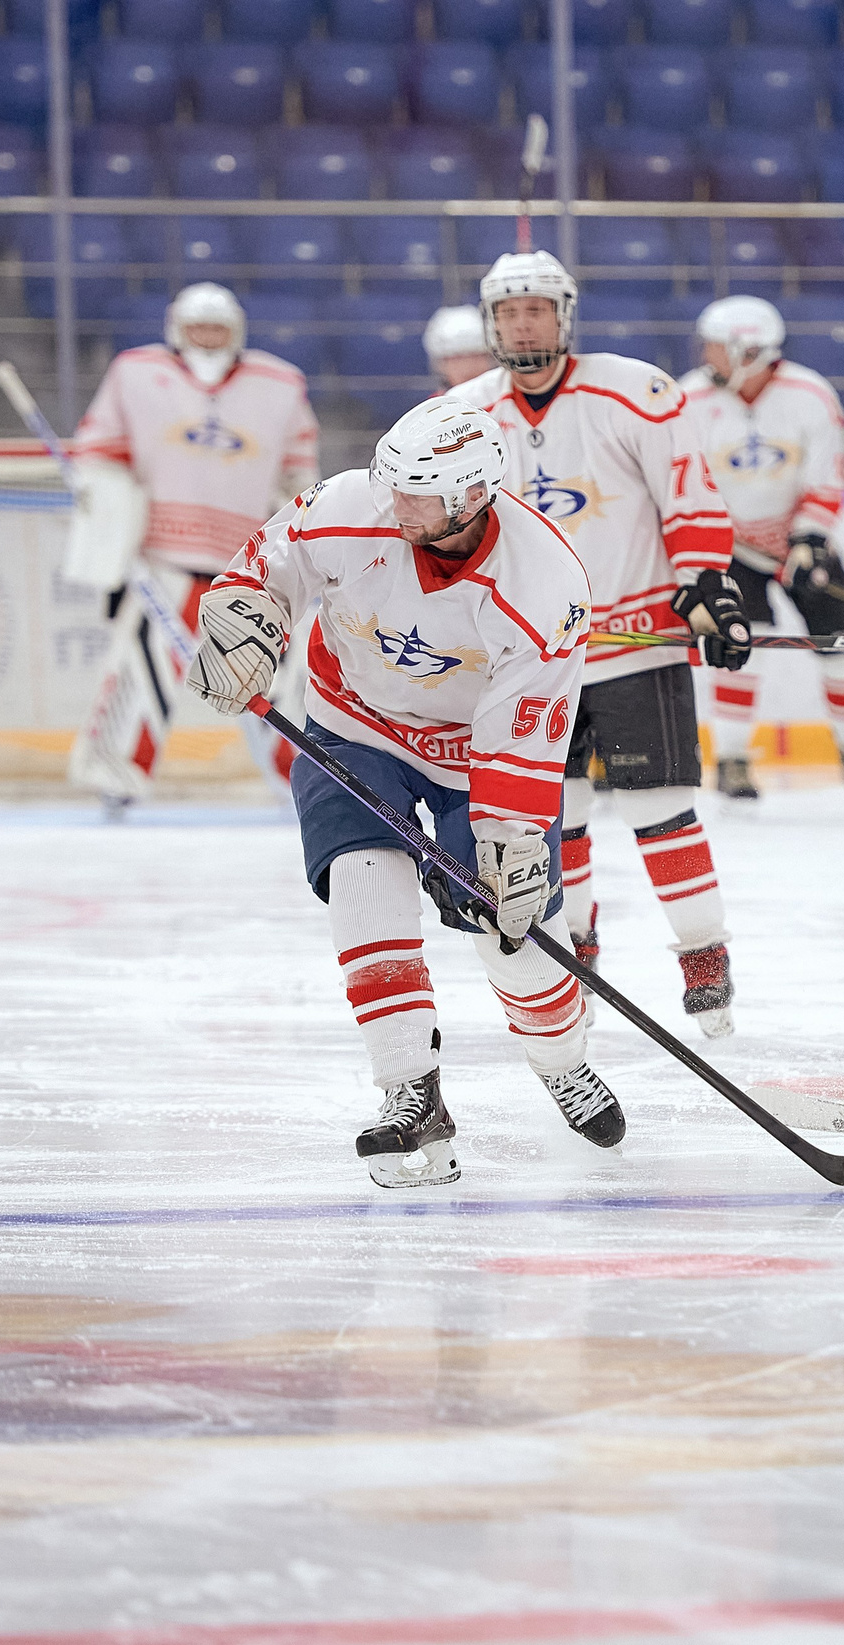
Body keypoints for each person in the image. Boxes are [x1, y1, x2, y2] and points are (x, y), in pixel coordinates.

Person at [186, 397, 618, 1189]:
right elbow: (263, 565)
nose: (395, 502)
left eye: (416, 493)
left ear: (471, 498)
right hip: (353, 721)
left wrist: (506, 841)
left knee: (510, 930)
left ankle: (562, 1057)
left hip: (477, 759)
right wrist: (243, 618)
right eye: (393, 483)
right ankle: (408, 1090)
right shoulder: (355, 505)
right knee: (362, 877)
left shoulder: (544, 581)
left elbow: (522, 735)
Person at [444, 250, 752, 1038]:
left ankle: (702, 955)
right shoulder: (464, 413)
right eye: (508, 312)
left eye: (537, 309)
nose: (523, 323)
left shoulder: (635, 390)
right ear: (490, 323)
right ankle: (577, 953)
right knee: (557, 815)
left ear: (565, 315)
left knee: (660, 807)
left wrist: (707, 584)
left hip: (636, 638)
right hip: (532, 656)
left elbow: (687, 492)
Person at [63, 282, 319, 815]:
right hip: (162, 559)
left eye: (218, 329)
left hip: (247, 565)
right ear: (175, 329)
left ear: (238, 332)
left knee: (280, 682)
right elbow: (101, 452)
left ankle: (302, 779)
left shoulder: (280, 384)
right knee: (141, 672)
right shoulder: (134, 372)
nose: (208, 338)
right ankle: (116, 775)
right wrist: (102, 496)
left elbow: (299, 475)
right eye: (197, 328)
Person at [681, 295, 844, 802]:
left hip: (800, 542)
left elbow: (828, 476)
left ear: (746, 352)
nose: (706, 353)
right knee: (739, 646)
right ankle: (732, 759)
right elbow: (684, 484)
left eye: (715, 345)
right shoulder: (689, 400)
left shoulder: (810, 394)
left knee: (843, 645)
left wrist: (808, 538)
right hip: (729, 546)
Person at [423, 304, 492, 390]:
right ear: (441, 364)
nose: (468, 367)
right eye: (458, 358)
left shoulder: (506, 402)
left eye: (476, 356)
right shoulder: (433, 403)